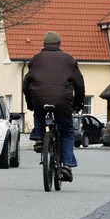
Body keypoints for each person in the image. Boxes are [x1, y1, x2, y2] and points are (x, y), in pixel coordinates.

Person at [23, 31, 85, 183]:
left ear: (44, 45)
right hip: (63, 101)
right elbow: (79, 84)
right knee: (68, 132)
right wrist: (78, 104)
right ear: (59, 44)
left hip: (39, 97)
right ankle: (67, 165)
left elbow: (26, 83)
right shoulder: (68, 59)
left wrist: (30, 103)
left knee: (38, 112)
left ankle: (39, 138)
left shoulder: (36, 59)